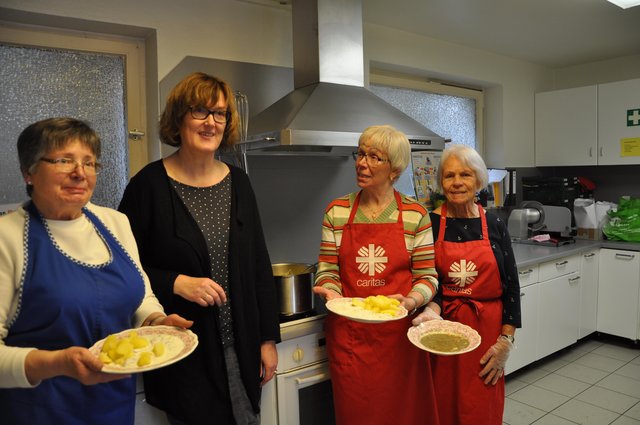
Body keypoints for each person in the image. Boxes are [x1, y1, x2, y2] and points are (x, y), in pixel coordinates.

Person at [0, 117, 192, 425]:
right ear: (29, 172)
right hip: (40, 412)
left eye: (89, 163)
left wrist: (156, 321)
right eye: (64, 160)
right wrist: (58, 363)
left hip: (113, 407)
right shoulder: (7, 237)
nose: (80, 173)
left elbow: (141, 295)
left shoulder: (115, 223)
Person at [118, 71, 280, 425]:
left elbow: (258, 265)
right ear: (179, 117)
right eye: (200, 111)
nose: (211, 122)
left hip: (242, 346)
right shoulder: (147, 186)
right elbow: (122, 269)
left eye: (220, 114)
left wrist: (267, 340)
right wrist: (175, 282)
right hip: (185, 351)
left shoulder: (239, 182)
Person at [313, 124, 441, 425]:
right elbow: (327, 269)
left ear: (394, 169)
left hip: (400, 339)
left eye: (374, 157)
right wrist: (332, 293)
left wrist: (409, 302)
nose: (361, 162)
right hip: (350, 338)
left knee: (404, 415)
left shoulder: (415, 215)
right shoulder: (337, 211)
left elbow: (428, 277)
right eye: (360, 154)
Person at [412, 144, 521, 425]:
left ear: (479, 181)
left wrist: (506, 341)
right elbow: (426, 281)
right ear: (441, 183)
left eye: (465, 175)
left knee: (481, 407)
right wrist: (431, 308)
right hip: (442, 330)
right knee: (442, 405)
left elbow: (511, 286)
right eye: (449, 176)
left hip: (487, 333)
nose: (457, 182)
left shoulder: (495, 224)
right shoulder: (429, 224)